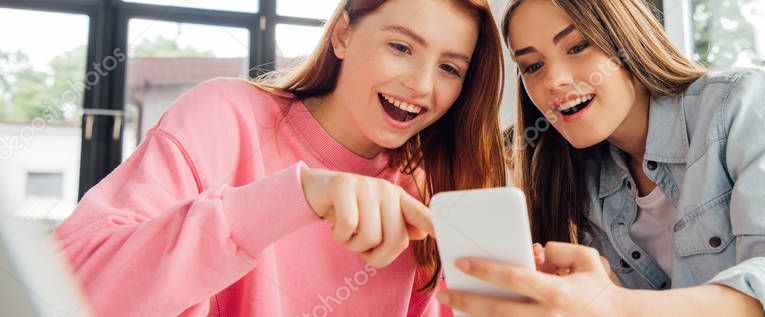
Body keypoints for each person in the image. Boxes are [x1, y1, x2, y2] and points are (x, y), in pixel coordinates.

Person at [54, 0, 506, 315]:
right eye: (401, 47)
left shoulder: (424, 197)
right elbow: (69, 293)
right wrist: (297, 196)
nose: (423, 85)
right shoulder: (225, 117)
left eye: (449, 68)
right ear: (344, 34)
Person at [438, 1, 765, 316]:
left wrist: (615, 305)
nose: (554, 81)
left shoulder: (737, 106)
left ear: (625, 41)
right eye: (532, 66)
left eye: (578, 46)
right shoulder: (574, 175)